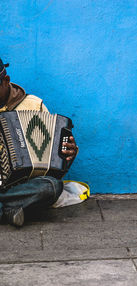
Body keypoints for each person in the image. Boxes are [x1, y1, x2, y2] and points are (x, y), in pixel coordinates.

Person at [0, 58, 78, 227]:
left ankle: (8, 206)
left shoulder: (33, 105)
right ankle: (11, 208)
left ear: (6, 81)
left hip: (22, 187)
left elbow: (52, 163)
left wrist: (67, 156)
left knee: (52, 186)